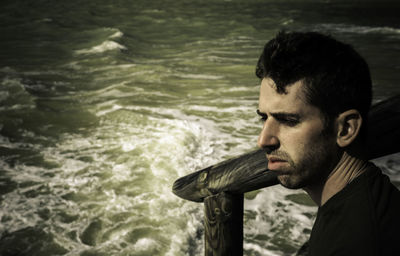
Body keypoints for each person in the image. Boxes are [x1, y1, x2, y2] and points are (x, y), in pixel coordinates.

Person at [255, 31, 400, 256]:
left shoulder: (357, 242)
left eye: (288, 120)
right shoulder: (361, 198)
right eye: (264, 118)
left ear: (346, 129)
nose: (263, 141)